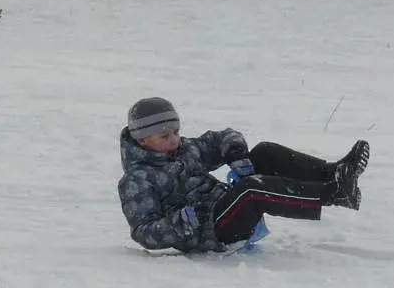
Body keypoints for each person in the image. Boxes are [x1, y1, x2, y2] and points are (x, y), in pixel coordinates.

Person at [117, 97, 369, 254]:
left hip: (224, 206)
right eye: (164, 136)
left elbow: (222, 137)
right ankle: (335, 194)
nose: (174, 139)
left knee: (264, 152)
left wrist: (236, 154)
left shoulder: (185, 149)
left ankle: (335, 173)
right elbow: (143, 231)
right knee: (251, 190)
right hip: (209, 232)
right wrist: (180, 223)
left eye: (176, 131)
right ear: (142, 140)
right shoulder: (137, 180)